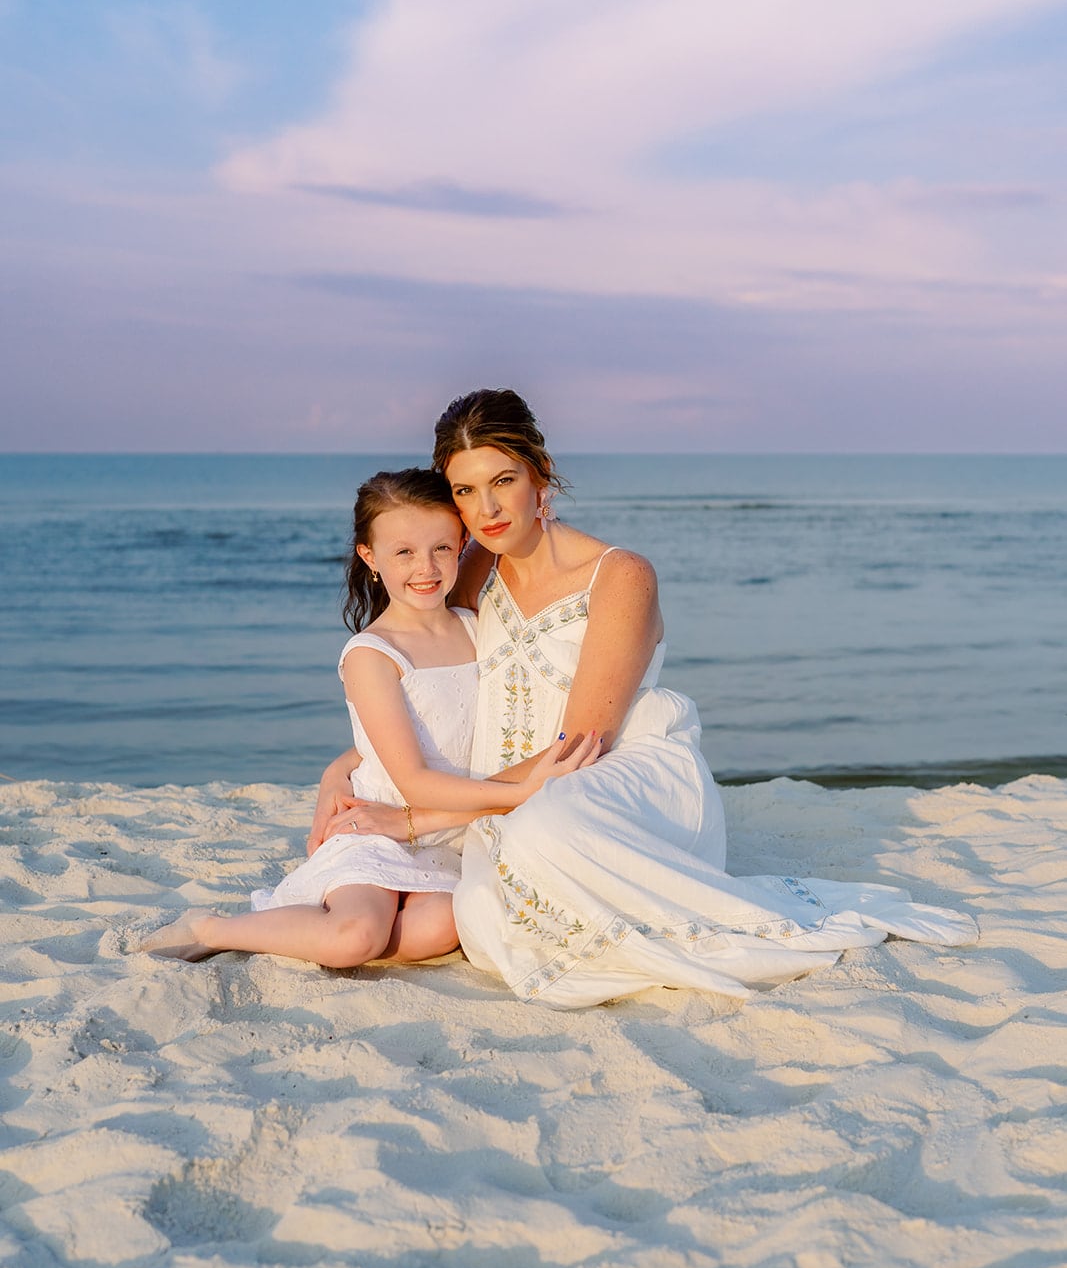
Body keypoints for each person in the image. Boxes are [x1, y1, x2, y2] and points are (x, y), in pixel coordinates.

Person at [313, 390, 977, 1008]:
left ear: (540, 473)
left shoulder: (617, 574)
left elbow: (583, 743)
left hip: (616, 773)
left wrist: (412, 819)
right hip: (505, 792)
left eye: (502, 481)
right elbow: (435, 693)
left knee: (544, 827)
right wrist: (340, 769)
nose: (485, 510)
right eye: (465, 490)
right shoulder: (472, 573)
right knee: (485, 910)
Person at [140, 466, 596, 968]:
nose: (425, 567)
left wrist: (334, 769)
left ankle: (339, 929)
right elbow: (414, 780)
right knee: (356, 937)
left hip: (451, 835)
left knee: (443, 926)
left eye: (441, 548)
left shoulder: (474, 628)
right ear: (370, 557)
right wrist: (521, 793)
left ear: (461, 544)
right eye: (403, 552)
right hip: (377, 828)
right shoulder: (373, 654)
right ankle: (215, 928)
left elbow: (436, 726)